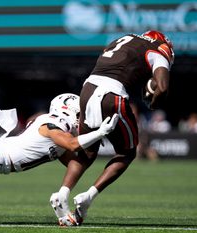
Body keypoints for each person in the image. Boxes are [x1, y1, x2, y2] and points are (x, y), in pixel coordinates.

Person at [49, 30, 174, 226]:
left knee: (88, 151)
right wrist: (155, 101)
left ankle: (62, 192)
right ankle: (88, 197)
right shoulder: (159, 48)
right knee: (127, 153)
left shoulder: (124, 39)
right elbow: (163, 86)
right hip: (112, 94)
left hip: (88, 89)